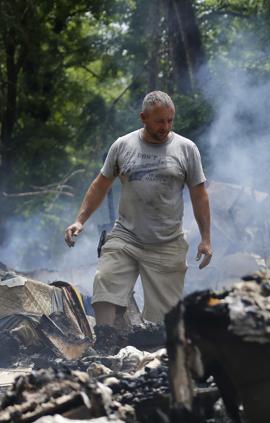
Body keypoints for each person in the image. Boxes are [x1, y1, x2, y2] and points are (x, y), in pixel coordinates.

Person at [64, 91, 212, 325]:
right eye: (159, 121)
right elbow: (100, 186)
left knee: (165, 323)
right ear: (143, 117)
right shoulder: (123, 146)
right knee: (105, 282)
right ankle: (105, 342)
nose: (165, 126)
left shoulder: (186, 149)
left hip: (167, 242)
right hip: (126, 236)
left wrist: (206, 238)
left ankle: (158, 354)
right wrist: (79, 220)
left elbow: (199, 195)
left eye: (170, 120)